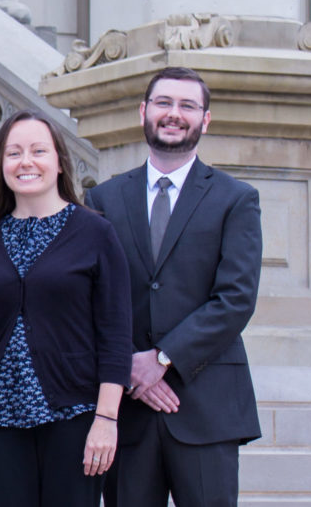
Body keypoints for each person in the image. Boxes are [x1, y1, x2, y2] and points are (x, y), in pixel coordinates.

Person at [85, 66, 262, 507]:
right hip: (125, 409)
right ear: (144, 111)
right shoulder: (102, 199)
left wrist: (162, 359)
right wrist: (128, 366)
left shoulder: (235, 199)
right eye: (164, 102)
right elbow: (90, 298)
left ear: (205, 119)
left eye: (187, 105)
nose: (173, 114)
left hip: (205, 406)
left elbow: (235, 299)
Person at [0, 109, 131, 505]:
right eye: (13, 153)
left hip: (76, 417)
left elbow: (115, 336)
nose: (26, 162)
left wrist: (106, 419)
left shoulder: (96, 233)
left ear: (59, 162)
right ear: (1, 166)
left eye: (38, 151)